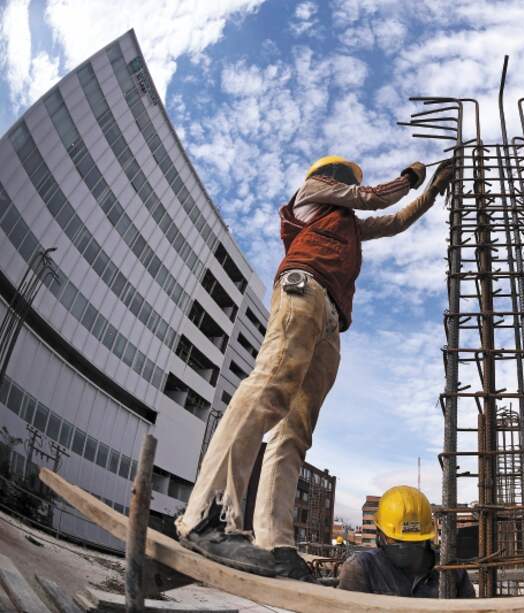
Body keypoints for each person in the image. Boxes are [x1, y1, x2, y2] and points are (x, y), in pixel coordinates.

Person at [174, 156, 453, 579]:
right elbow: (373, 197)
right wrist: (411, 178)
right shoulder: (313, 193)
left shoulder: (348, 226)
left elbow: (395, 221)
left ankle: (274, 543)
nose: (351, 189)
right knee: (270, 388)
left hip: (331, 319)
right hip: (303, 289)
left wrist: (430, 192)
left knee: (296, 429)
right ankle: (206, 515)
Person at [337, 485, 476, 598]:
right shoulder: (362, 568)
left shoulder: (451, 569)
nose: (406, 548)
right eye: (397, 541)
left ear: (380, 532)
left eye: (414, 542)